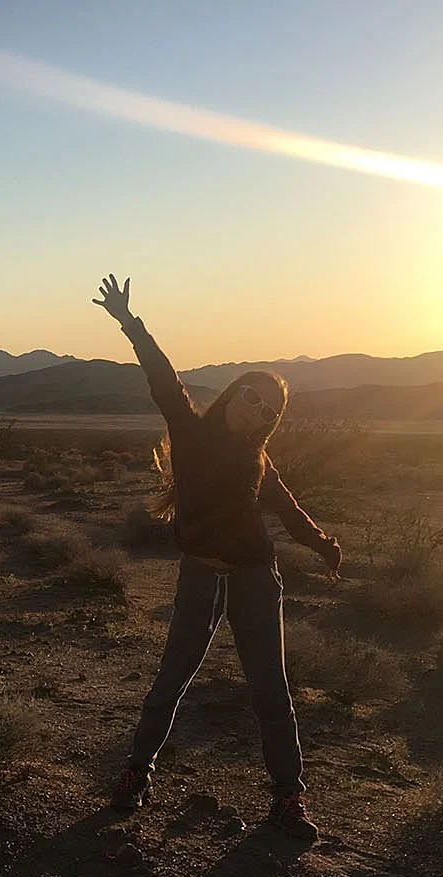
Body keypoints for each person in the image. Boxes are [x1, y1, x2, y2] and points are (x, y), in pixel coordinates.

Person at [92, 274, 342, 841]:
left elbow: (284, 506)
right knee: (171, 677)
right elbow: (163, 377)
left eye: (267, 408)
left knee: (269, 690)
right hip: (199, 573)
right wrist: (131, 324)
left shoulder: (257, 458)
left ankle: (288, 796)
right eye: (250, 395)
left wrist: (322, 543)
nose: (255, 408)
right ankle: (137, 772)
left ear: (267, 421)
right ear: (233, 395)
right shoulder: (190, 428)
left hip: (256, 576)